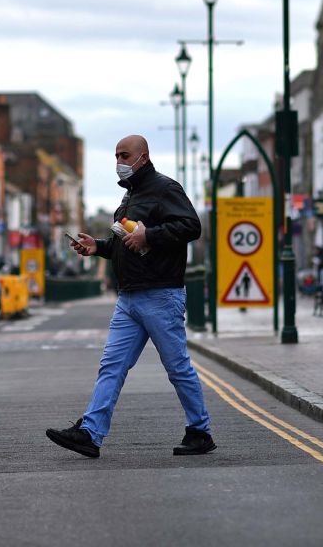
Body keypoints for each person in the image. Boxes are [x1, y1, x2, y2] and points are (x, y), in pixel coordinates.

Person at [46, 134, 215, 459]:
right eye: (116, 156)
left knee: (177, 367)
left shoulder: (166, 189)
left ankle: (200, 431)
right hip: (129, 298)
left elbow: (191, 226)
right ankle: (90, 434)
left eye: (125, 155)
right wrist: (98, 246)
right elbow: (125, 245)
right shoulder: (129, 198)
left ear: (143, 156)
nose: (119, 163)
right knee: (111, 365)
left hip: (161, 294)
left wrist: (149, 234)